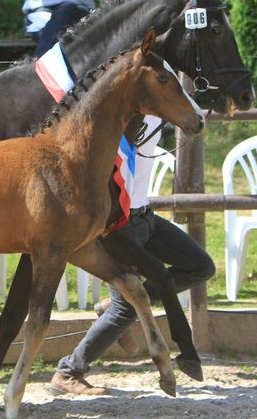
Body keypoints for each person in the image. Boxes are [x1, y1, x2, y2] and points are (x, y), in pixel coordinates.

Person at [50, 116, 215, 395]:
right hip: (119, 225)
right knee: (126, 308)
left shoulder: (159, 105)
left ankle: (114, 305)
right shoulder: (119, 113)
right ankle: (69, 372)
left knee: (200, 266)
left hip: (145, 216)